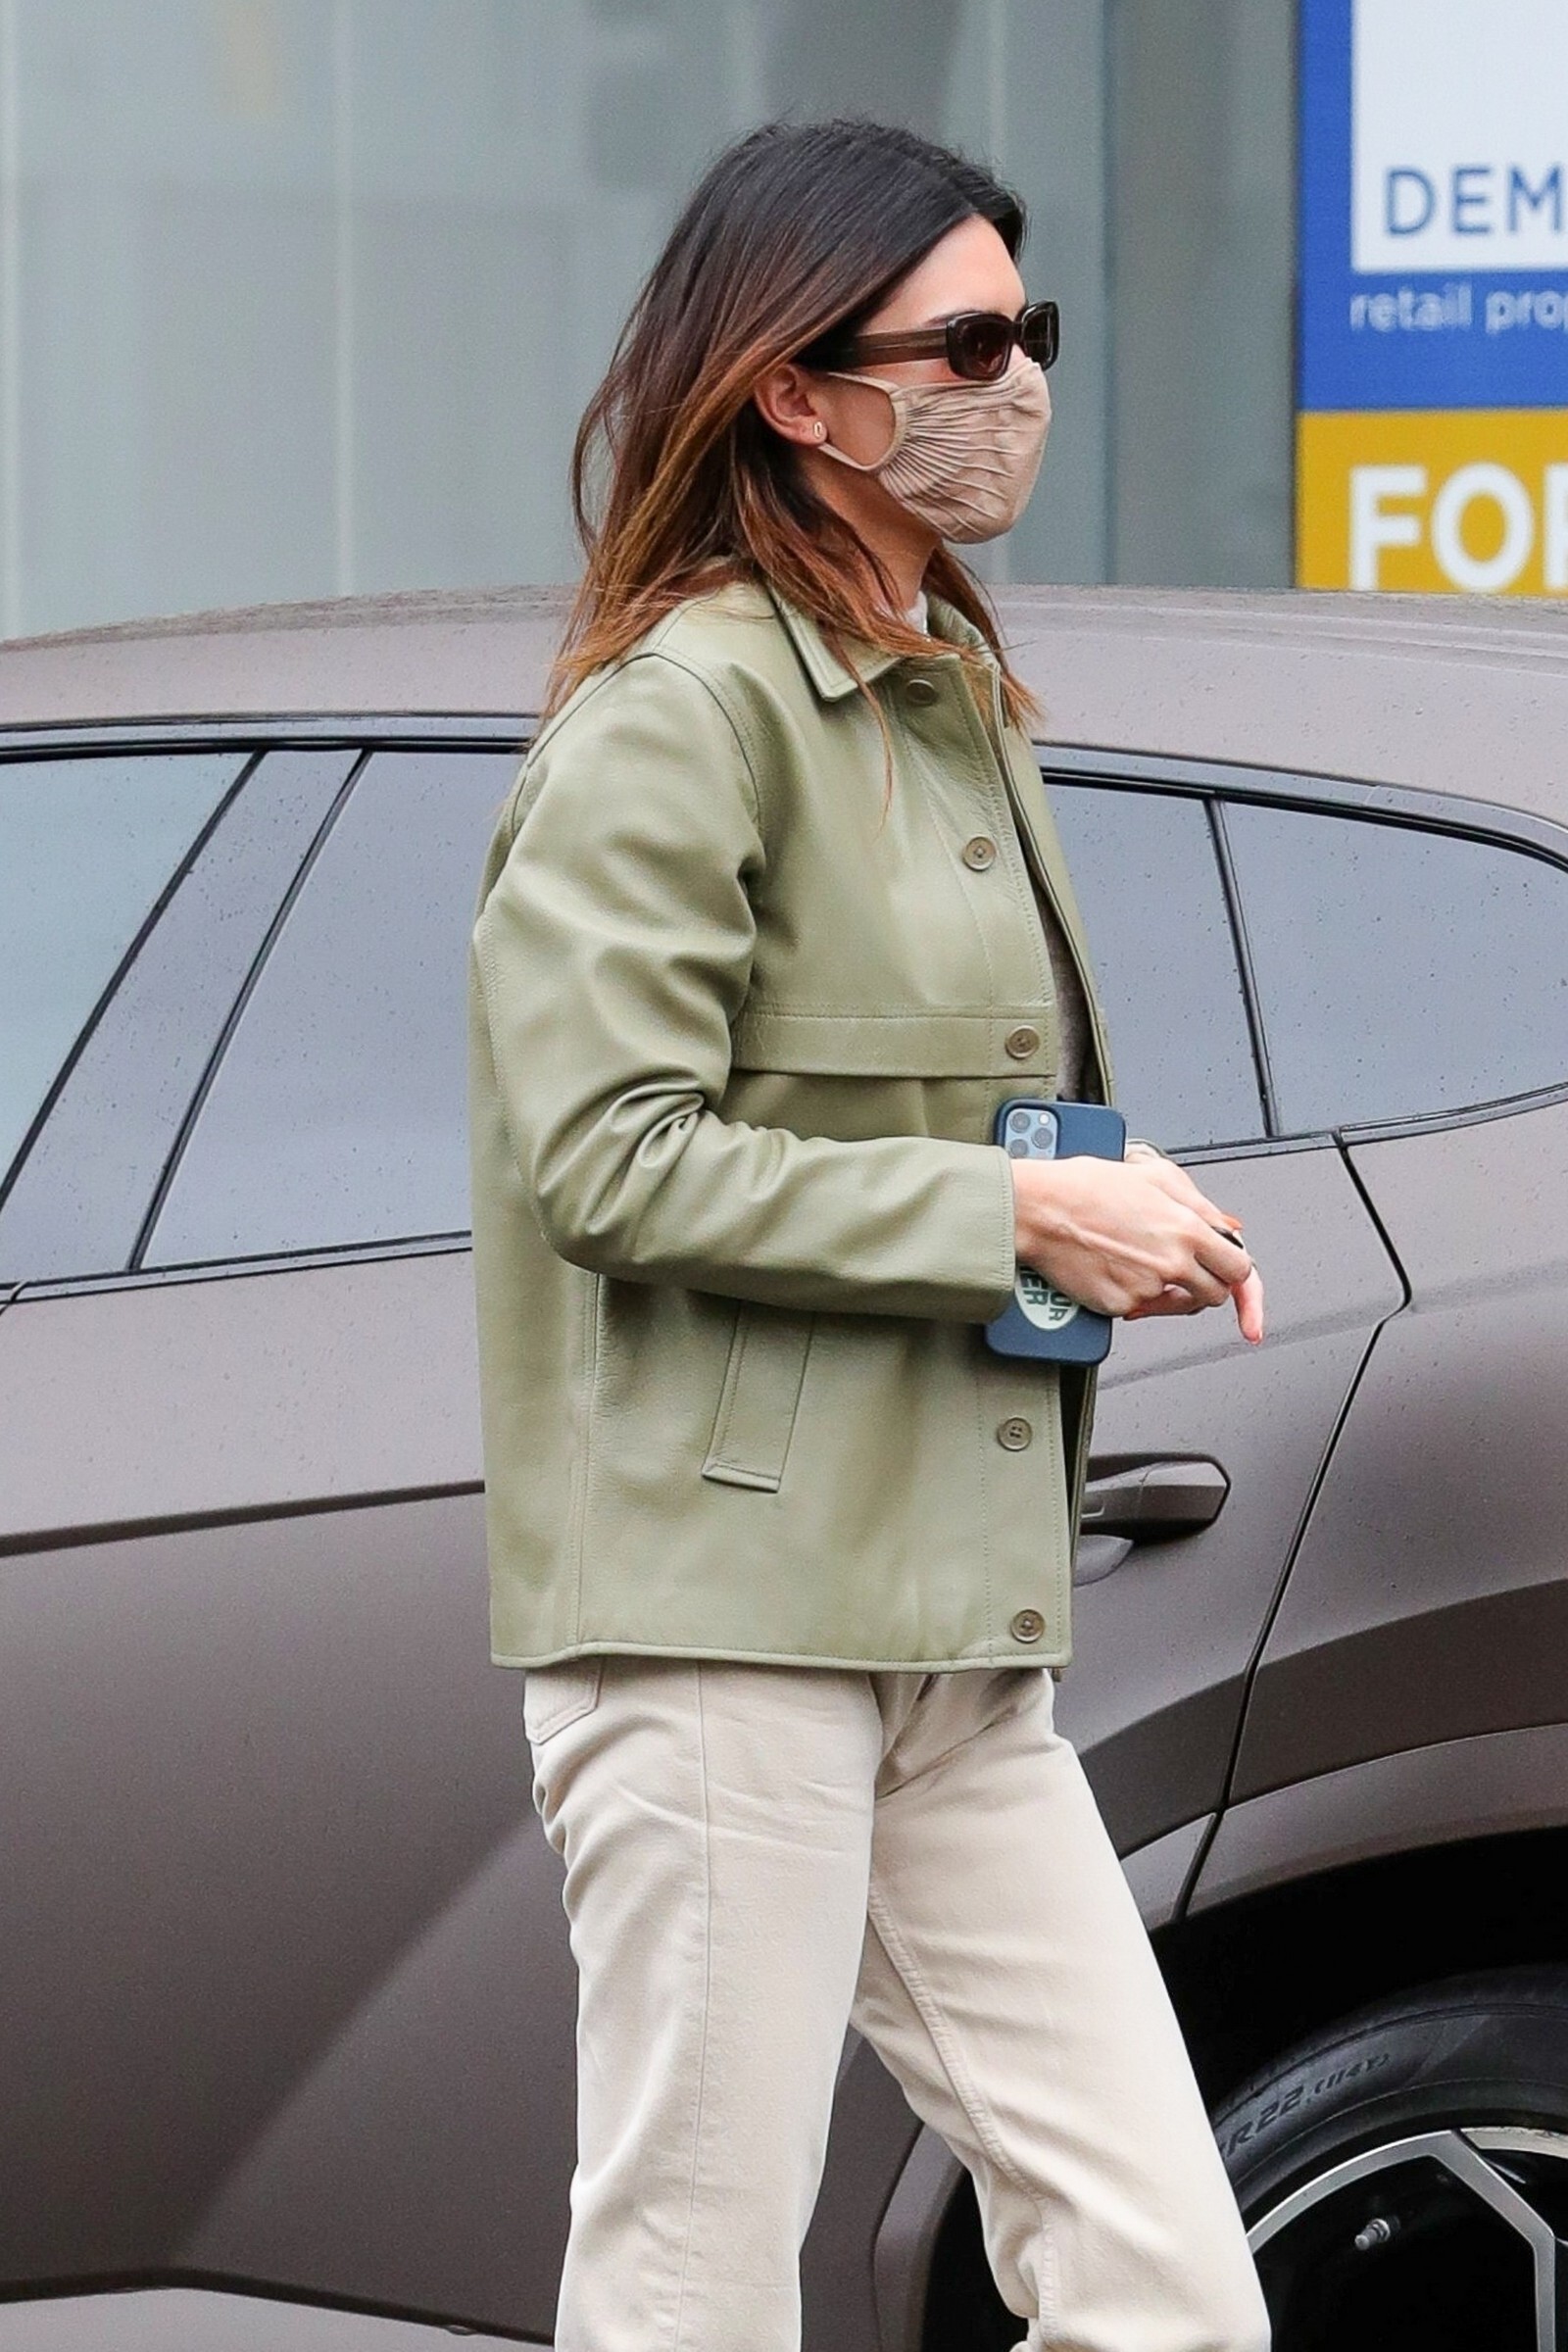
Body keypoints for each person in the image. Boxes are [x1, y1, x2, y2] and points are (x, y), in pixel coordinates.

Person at [468, 116, 1270, 2352]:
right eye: (962, 346)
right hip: (724, 1626)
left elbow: (915, 1099)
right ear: (793, 392)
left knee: (1166, 2291)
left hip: (946, 1633)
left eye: (1031, 330)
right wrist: (1014, 1208)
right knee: (692, 2298)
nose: (1018, 384)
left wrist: (1105, 1198)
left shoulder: (947, 703)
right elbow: (605, 1158)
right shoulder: (682, 718)